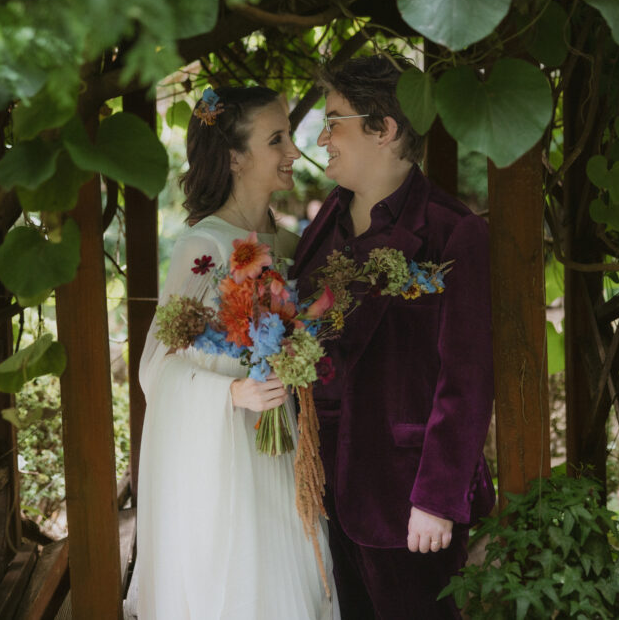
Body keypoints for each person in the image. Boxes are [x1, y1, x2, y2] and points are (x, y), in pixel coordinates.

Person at [291, 55, 495, 620]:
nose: (323, 136)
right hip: (321, 493)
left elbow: (468, 381)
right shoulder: (323, 225)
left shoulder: (453, 233)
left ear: (384, 128)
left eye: (335, 120)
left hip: (407, 499)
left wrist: (436, 499)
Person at [133, 86, 337, 619]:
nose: (295, 152)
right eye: (277, 139)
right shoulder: (206, 248)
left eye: (290, 136)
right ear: (234, 157)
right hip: (229, 459)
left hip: (285, 446)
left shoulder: (290, 243)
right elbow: (155, 368)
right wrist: (231, 392)